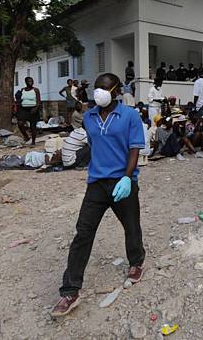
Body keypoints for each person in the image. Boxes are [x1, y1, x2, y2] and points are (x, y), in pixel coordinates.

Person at [51, 73, 145, 317]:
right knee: (83, 232)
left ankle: (136, 261)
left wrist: (127, 176)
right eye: (96, 88)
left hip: (122, 181)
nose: (98, 93)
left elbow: (134, 149)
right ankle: (70, 291)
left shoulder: (130, 115)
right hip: (96, 184)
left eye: (103, 88)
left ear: (115, 91)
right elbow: (94, 144)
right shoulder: (89, 117)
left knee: (131, 225)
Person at [16, 77, 42, 145]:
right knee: (20, 123)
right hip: (24, 109)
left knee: (32, 126)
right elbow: (20, 99)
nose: (30, 82)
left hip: (33, 109)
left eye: (31, 81)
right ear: (26, 82)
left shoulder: (36, 90)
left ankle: (33, 141)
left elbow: (39, 101)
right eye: (29, 81)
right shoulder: (22, 90)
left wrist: (35, 108)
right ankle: (26, 136)